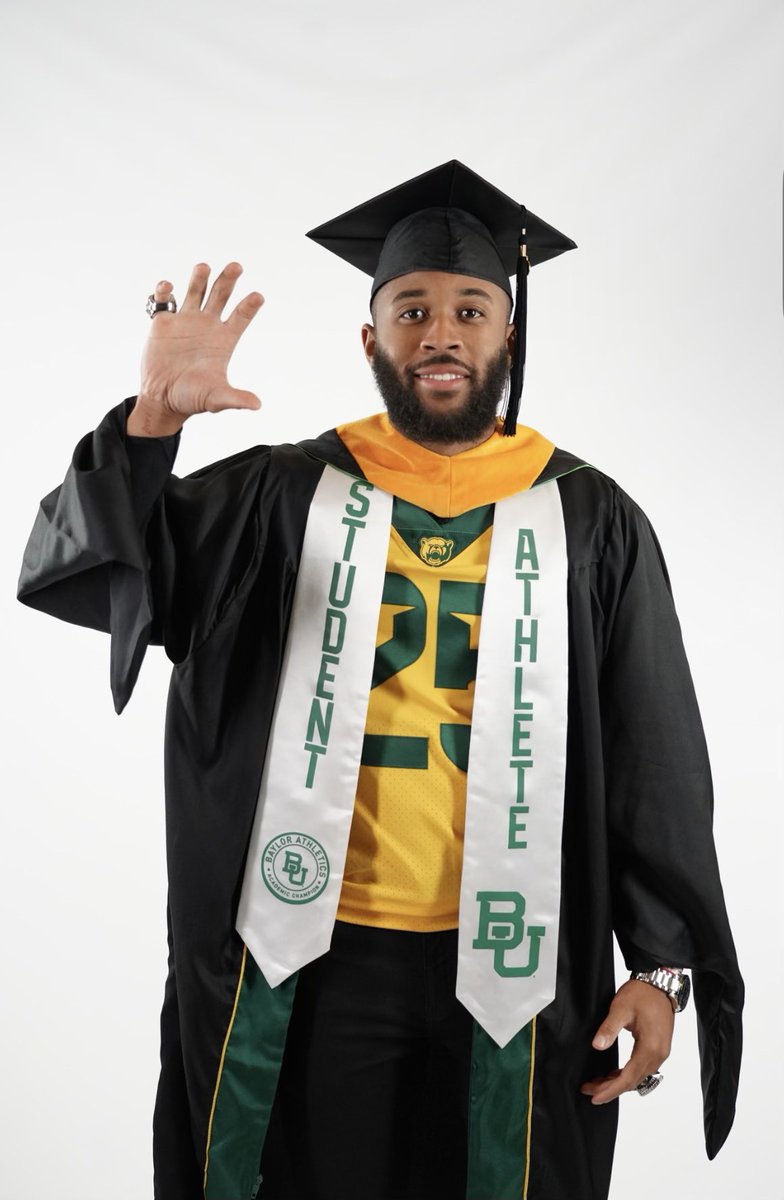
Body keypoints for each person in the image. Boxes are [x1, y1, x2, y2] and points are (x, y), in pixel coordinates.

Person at [18, 161, 743, 1200]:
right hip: (306, 961)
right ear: (371, 339)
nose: (440, 332)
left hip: (519, 967)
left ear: (508, 335)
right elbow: (96, 570)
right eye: (411, 309)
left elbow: (652, 754)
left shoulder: (590, 518)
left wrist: (663, 965)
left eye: (470, 309)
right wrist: (150, 429)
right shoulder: (278, 494)